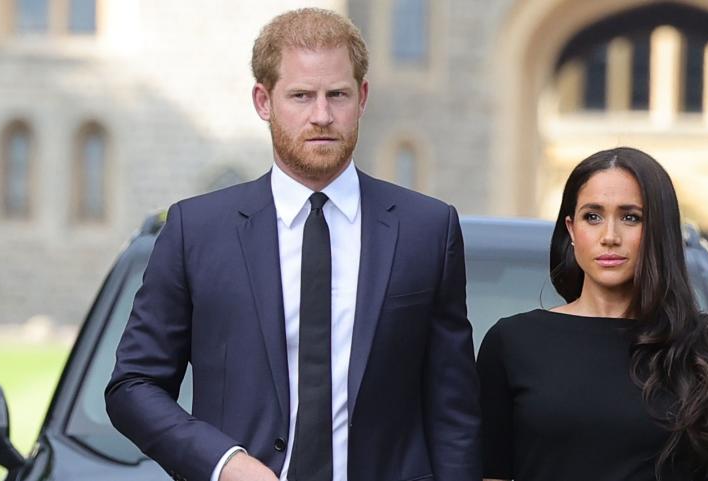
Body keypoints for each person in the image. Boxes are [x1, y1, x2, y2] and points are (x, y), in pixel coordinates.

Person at [105, 8, 480, 481]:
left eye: (337, 95)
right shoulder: (195, 230)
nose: (321, 115)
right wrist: (224, 464)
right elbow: (133, 386)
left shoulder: (428, 229)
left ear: (362, 98)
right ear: (264, 101)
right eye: (301, 96)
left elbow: (454, 412)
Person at [477, 147, 708, 481]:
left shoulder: (704, 358)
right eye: (593, 216)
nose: (609, 237)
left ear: (658, 231)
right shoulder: (511, 344)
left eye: (630, 217)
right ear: (571, 229)